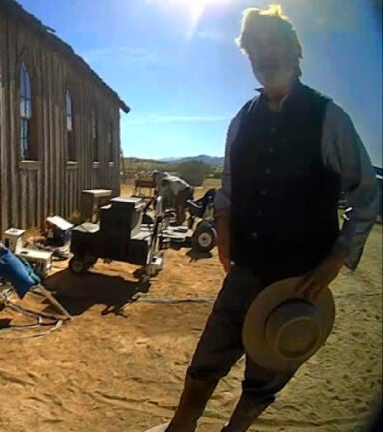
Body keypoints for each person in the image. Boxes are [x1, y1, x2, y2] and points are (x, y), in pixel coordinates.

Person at [147, 5, 380, 432]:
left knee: (266, 374)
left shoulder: (328, 118)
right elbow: (230, 190)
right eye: (254, 48)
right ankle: (182, 426)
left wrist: (336, 260)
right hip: (246, 270)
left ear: (294, 50)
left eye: (272, 43)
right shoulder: (242, 121)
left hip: (299, 280)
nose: (263, 54)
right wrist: (222, 231)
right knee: (205, 363)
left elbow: (367, 192)